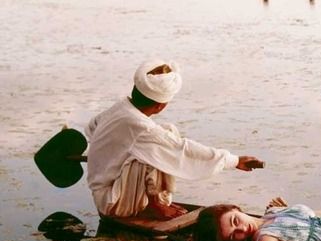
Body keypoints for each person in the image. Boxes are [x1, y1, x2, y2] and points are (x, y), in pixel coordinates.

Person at [85, 59, 264, 220]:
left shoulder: (120, 107)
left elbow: (92, 129)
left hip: (107, 191)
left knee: (165, 132)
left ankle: (156, 200)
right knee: (155, 151)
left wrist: (109, 153)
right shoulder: (139, 126)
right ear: (160, 105)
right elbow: (181, 149)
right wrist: (234, 161)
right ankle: (153, 206)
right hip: (111, 202)